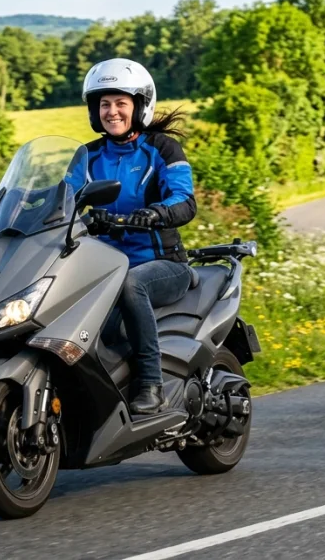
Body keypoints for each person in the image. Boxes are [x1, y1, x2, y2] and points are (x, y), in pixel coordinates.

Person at [77, 57, 196, 414]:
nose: (112, 112)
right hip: (103, 266)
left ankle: (150, 382)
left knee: (132, 284)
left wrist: (156, 213)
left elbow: (184, 200)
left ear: (140, 106)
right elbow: (62, 199)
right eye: (104, 104)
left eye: (120, 103)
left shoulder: (161, 149)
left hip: (162, 263)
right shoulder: (87, 155)